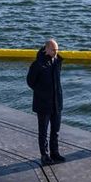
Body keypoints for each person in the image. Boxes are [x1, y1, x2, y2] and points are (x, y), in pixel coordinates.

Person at [26, 38, 65, 166]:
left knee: (56, 130)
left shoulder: (57, 61)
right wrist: (42, 93)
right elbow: (30, 82)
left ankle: (55, 152)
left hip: (56, 102)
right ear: (46, 49)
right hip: (43, 103)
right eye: (53, 50)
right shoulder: (38, 64)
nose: (56, 52)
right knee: (43, 131)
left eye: (57, 49)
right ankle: (44, 155)